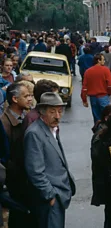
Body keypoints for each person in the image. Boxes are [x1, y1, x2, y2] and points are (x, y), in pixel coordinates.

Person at [24, 92, 76, 228]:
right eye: (52, 112)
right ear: (42, 112)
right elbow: (35, 171)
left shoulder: (52, 128)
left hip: (58, 195)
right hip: (50, 198)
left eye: (60, 111)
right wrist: (50, 196)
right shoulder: (34, 133)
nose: (57, 116)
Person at [1, 83, 34, 227]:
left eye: (31, 95)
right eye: (26, 96)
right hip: (15, 179)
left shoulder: (25, 117)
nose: (30, 99)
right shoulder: (4, 123)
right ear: (15, 99)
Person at [81, 54, 111, 123]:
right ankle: (106, 132)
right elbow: (110, 85)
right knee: (107, 117)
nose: (104, 61)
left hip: (93, 98)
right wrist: (108, 93)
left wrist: (84, 100)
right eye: (103, 60)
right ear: (98, 60)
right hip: (103, 96)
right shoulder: (106, 70)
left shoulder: (88, 71)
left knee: (97, 118)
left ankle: (98, 131)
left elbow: (84, 88)